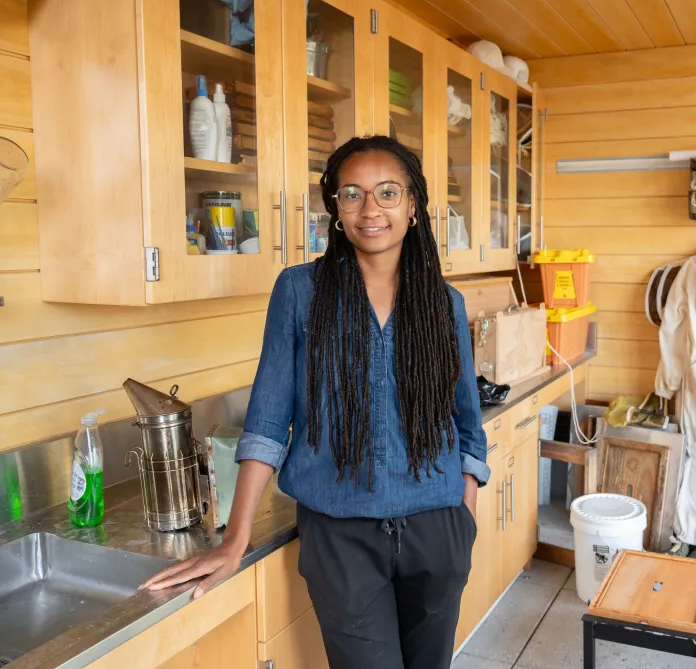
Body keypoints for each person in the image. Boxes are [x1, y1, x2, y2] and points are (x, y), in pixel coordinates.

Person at [141, 135, 490, 669]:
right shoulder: (301, 292)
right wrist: (235, 540)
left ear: (414, 206)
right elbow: (267, 420)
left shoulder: (444, 303)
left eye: (388, 193)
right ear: (335, 207)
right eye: (352, 194)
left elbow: (466, 422)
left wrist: (462, 511)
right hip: (340, 537)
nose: (370, 209)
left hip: (437, 531)